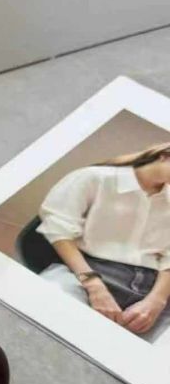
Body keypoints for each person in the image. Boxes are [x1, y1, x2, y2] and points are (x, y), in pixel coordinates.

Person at [37, 143, 170, 340]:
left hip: (154, 289)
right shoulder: (93, 178)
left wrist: (157, 301)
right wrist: (93, 285)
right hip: (87, 273)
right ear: (164, 155)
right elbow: (58, 231)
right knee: (48, 310)